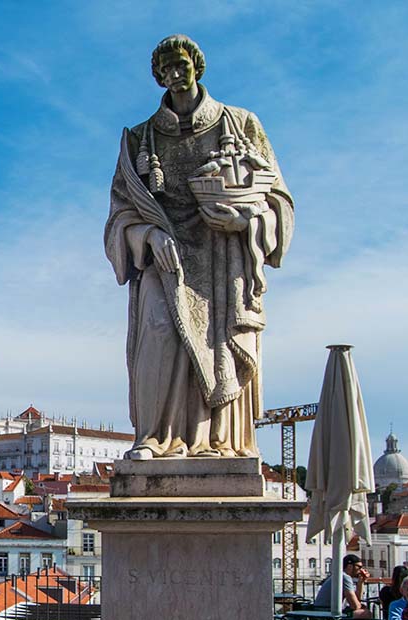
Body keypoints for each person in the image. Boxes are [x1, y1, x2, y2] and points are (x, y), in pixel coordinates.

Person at [104, 34, 293, 460]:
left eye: (181, 64)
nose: (174, 73)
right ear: (157, 77)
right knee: (159, 330)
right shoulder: (139, 139)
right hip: (163, 256)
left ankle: (218, 440)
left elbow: (278, 199)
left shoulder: (241, 125)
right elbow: (118, 214)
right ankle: (157, 437)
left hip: (224, 255)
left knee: (220, 342)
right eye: (165, 67)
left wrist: (245, 220)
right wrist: (148, 236)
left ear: (196, 66)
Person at [312, 554, 372, 620]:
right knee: (364, 614)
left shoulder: (340, 575)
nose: (360, 570)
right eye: (359, 567)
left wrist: (361, 582)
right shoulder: (345, 577)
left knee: (362, 614)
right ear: (350, 566)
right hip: (327, 615)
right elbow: (355, 605)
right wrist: (360, 607)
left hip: (322, 613)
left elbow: (356, 601)